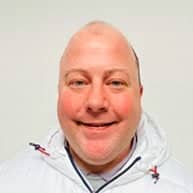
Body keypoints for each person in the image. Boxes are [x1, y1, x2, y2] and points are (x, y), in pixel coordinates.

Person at [0, 21, 192, 193]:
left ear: (139, 95)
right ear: (59, 93)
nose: (96, 102)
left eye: (115, 82)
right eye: (79, 82)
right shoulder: (8, 183)